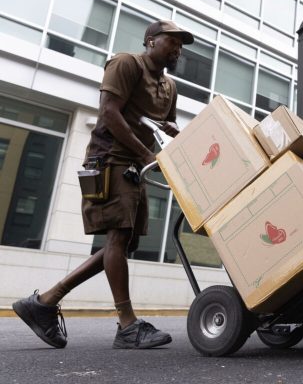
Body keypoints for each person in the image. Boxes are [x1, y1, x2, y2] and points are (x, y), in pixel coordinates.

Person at [12, 20, 194, 349]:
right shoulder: (126, 63)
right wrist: (143, 154)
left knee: (125, 243)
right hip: (110, 159)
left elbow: (166, 125)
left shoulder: (169, 87)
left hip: (137, 167)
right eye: (173, 41)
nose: (178, 48)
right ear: (150, 41)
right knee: (118, 238)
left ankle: (44, 302)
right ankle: (127, 325)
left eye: (182, 44)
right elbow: (109, 112)